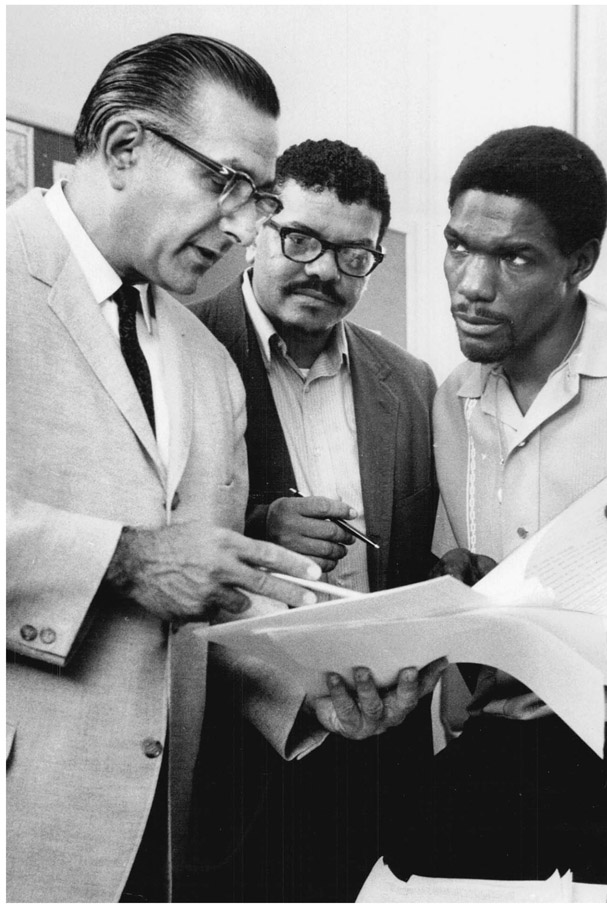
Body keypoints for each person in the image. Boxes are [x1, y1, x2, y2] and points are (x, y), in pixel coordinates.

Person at [6, 36, 435, 903]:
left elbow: (210, 601)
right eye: (224, 183)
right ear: (125, 147)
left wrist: (311, 696)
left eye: (257, 196)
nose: (243, 226)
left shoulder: (203, 361)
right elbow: (157, 569)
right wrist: (127, 559)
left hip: (163, 845)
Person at [380, 126, 607, 901]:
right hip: (513, 745)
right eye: (459, 247)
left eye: (515, 258)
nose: (472, 283)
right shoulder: (448, 401)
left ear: (580, 263)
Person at [189, 138, 439, 901]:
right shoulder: (183, 346)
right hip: (228, 764)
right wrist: (261, 523)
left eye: (354, 255)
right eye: (301, 239)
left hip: (370, 753)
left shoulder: (411, 381)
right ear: (258, 226)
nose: (325, 270)